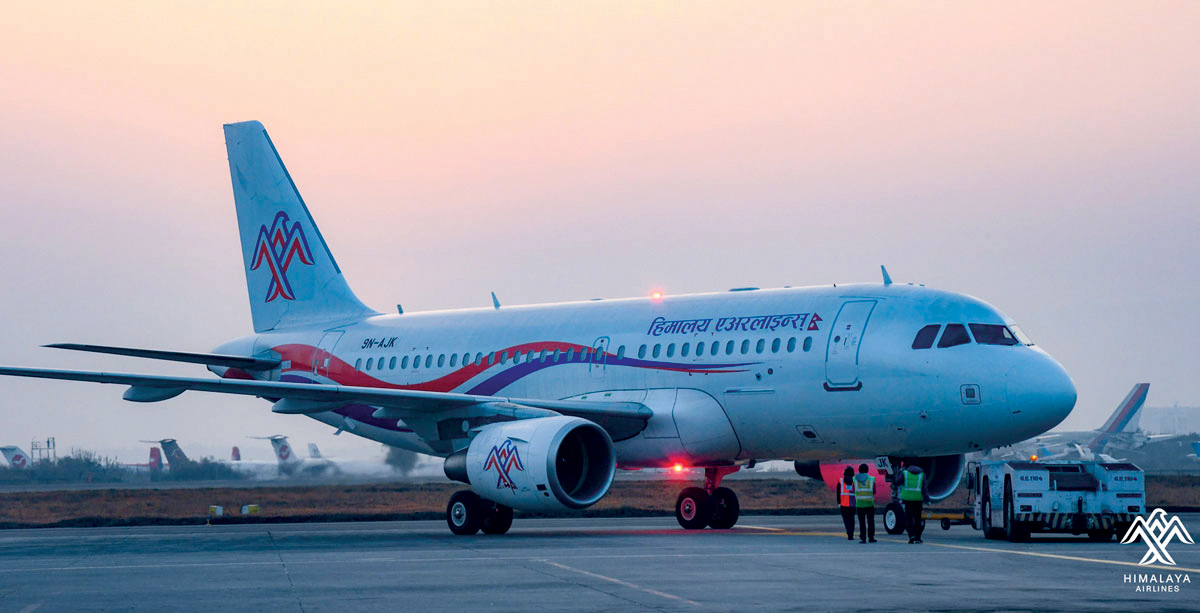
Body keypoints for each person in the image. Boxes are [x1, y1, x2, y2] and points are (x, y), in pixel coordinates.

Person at [897, 461, 930, 543]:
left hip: (907, 499)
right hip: (918, 499)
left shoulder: (905, 473)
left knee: (909, 518)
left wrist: (899, 472)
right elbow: (924, 488)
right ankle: (918, 537)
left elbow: (897, 482)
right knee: (917, 518)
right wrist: (927, 499)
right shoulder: (922, 474)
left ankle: (911, 536)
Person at [852, 463, 876, 543]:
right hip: (869, 503)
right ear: (867, 470)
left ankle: (863, 538)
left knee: (861, 522)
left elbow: (853, 489)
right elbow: (874, 491)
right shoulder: (872, 479)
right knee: (871, 521)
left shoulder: (854, 479)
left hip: (859, 503)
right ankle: (871, 537)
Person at [837, 466, 855, 540]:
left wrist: (839, 503)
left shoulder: (840, 480)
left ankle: (849, 533)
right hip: (853, 503)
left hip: (843, 504)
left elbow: (838, 493)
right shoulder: (855, 481)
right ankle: (852, 533)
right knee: (852, 519)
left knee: (846, 520)